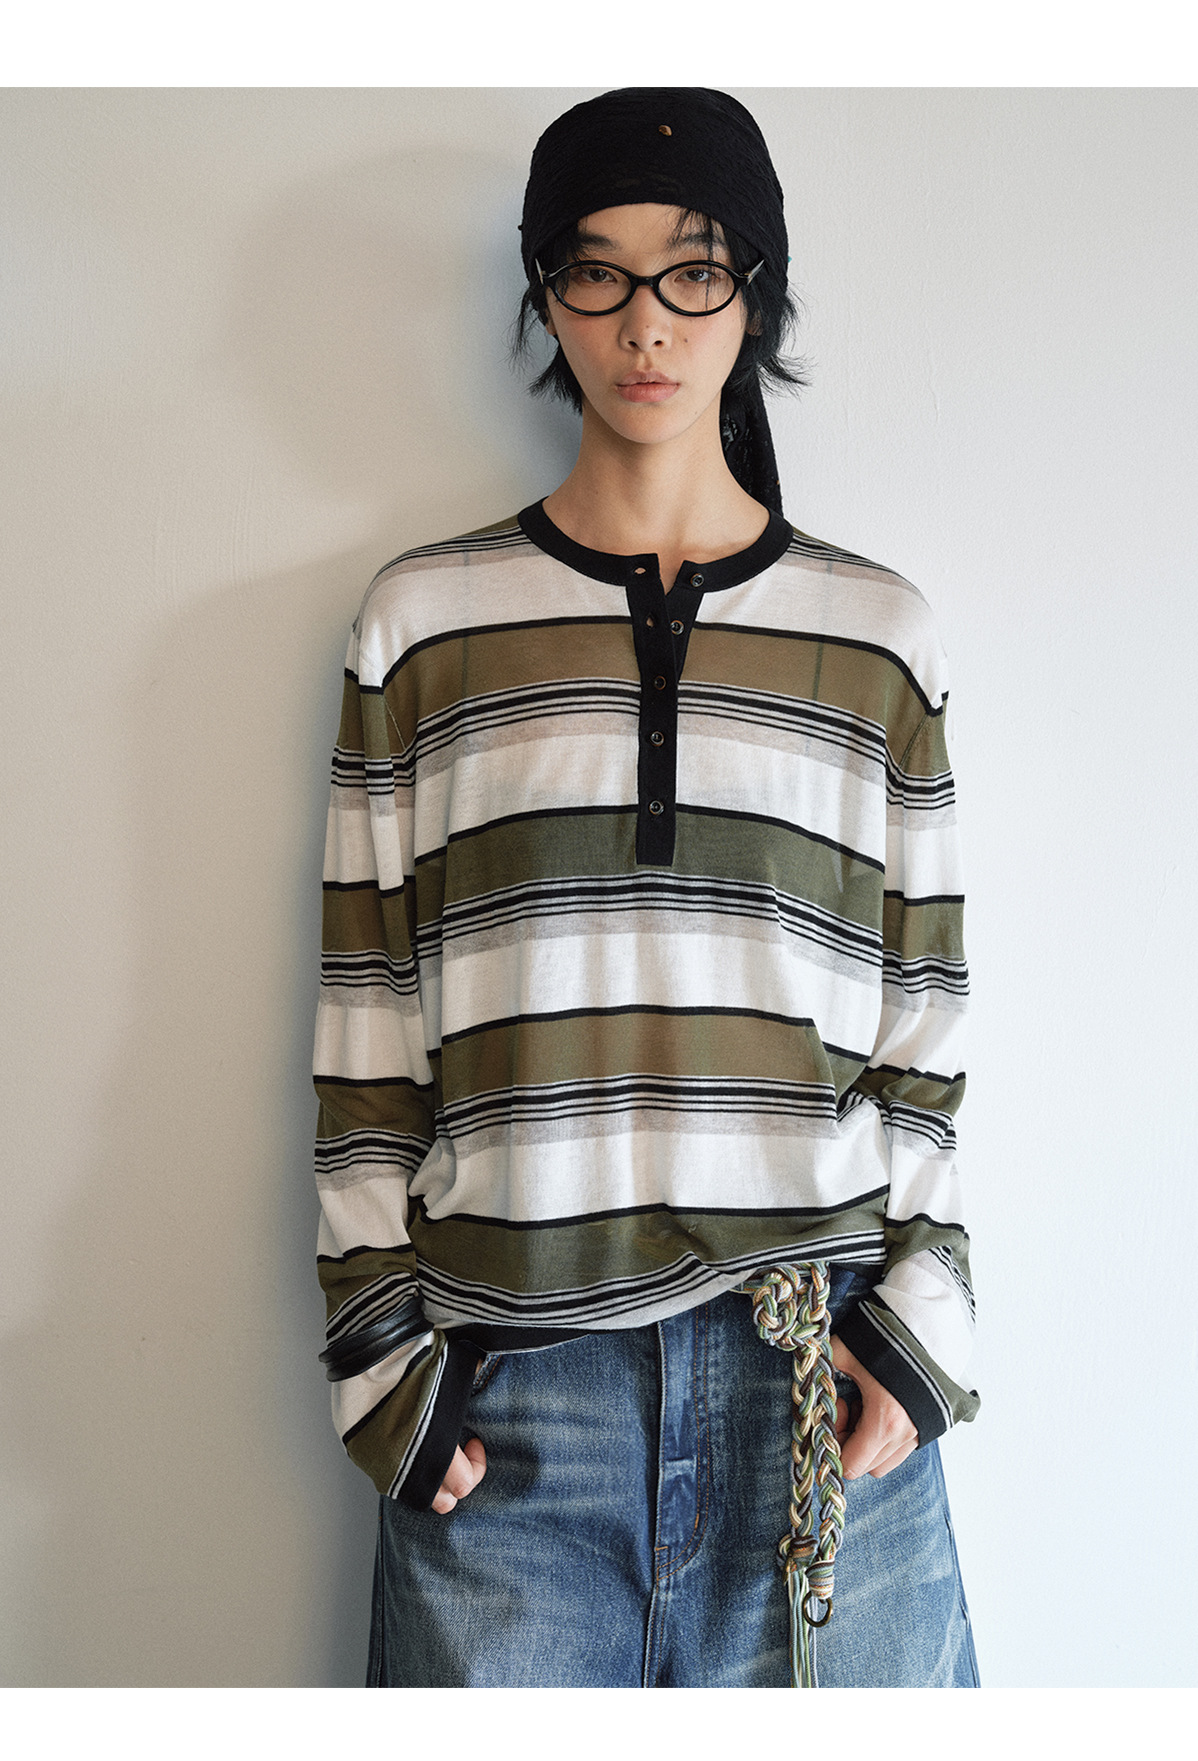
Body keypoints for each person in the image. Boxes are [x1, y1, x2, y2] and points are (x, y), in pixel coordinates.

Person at [313, 87, 980, 1689]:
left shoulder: (876, 639)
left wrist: (920, 1327)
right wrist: (378, 1359)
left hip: (815, 1380)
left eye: (691, 270)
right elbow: (366, 1023)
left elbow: (925, 1025)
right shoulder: (421, 627)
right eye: (594, 272)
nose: (645, 323)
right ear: (545, 296)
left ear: (753, 289)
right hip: (512, 1412)